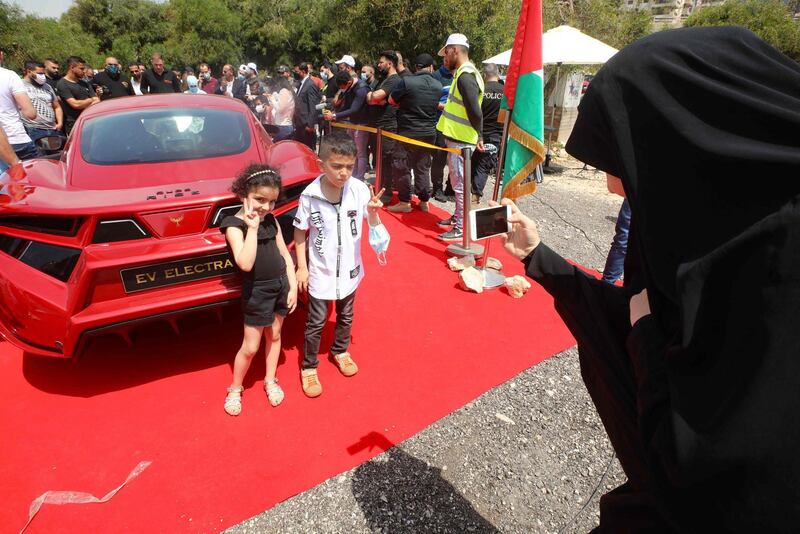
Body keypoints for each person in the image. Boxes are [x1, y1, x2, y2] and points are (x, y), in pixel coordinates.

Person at [501, 26, 800, 532]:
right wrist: (538, 256)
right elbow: (636, 315)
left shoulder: (776, 266)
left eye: (624, 158)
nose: (613, 185)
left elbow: (713, 473)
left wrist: (644, 348)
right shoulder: (708, 226)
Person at [293, 134, 384, 398]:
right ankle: (309, 366)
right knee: (316, 321)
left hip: (350, 268)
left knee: (346, 315)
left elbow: (373, 225)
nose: (343, 173)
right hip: (320, 270)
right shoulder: (310, 196)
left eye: (349, 166)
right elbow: (300, 232)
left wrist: (374, 211)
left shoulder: (359, 189)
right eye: (336, 166)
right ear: (321, 164)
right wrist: (302, 267)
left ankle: (340, 350)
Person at [220, 164, 298, 414]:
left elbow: (284, 254)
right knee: (251, 346)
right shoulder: (234, 224)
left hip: (280, 285)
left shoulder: (271, 220)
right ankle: (235, 388)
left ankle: (270, 379)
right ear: (244, 195)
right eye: (259, 199)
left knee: (274, 335)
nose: (265, 207)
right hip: (257, 291)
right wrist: (252, 228)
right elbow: (245, 262)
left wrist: (293, 285)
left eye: (271, 201)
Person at [435, 33, 484, 241]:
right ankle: (457, 218)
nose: (445, 58)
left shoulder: (465, 75)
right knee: (458, 183)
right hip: (458, 138)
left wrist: (479, 134)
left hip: (462, 140)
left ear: (454, 50)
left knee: (460, 185)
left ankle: (461, 229)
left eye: (446, 52)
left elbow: (475, 110)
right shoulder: (464, 73)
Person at [386, 53, 442, 213]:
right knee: (423, 166)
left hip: (407, 131)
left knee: (402, 165)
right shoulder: (438, 85)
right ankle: (424, 201)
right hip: (429, 132)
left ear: (416, 67)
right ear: (431, 67)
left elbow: (391, 100)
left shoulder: (407, 81)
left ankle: (405, 201)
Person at [367, 50, 402, 203]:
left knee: (386, 160)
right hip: (380, 125)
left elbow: (374, 97)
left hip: (389, 125)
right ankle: (381, 189)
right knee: (380, 159)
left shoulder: (394, 80)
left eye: (381, 62)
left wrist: (374, 97)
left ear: (390, 63)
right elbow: (372, 99)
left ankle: (386, 193)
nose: (379, 65)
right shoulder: (384, 80)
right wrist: (373, 97)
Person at [322, 70, 369, 180]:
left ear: (348, 82)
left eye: (342, 87)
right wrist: (334, 114)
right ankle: (353, 174)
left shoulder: (361, 89)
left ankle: (359, 177)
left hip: (361, 124)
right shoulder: (348, 89)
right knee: (353, 151)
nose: (342, 89)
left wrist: (334, 116)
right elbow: (346, 106)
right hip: (352, 123)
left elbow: (354, 109)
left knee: (360, 152)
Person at [470, 63, 503, 203]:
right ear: (498, 73)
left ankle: (469, 194)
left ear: (484, 75)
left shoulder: (480, 89)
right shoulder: (506, 91)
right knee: (484, 165)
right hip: (496, 135)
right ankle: (475, 195)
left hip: (477, 134)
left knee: (472, 163)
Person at [0, 64, 39, 161]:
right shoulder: (9, 76)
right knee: (32, 174)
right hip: (16, 138)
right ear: (1, 55)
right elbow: (31, 113)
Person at [21, 60, 64, 145]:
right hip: (33, 130)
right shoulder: (19, 85)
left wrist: (60, 123)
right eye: (40, 74)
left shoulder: (47, 87)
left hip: (52, 129)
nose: (42, 76)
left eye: (43, 74)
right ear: (29, 72)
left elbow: (57, 106)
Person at [56, 56, 100, 136]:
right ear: (72, 67)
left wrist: (87, 102)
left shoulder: (84, 84)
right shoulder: (63, 84)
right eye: (81, 69)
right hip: (75, 123)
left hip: (90, 120)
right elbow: (75, 104)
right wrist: (90, 100)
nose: (84, 71)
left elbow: (97, 100)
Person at [431, 60, 455, 202]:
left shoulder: (460, 76)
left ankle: (450, 188)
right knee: (439, 159)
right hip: (440, 123)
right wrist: (442, 106)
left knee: (454, 159)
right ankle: (437, 189)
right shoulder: (436, 76)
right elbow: (429, 99)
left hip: (456, 126)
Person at [293, 61, 321, 151]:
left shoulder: (310, 85)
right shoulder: (301, 84)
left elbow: (313, 106)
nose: (296, 74)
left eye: (298, 72)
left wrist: (310, 124)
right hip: (300, 123)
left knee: (308, 149)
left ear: (303, 71)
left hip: (306, 125)